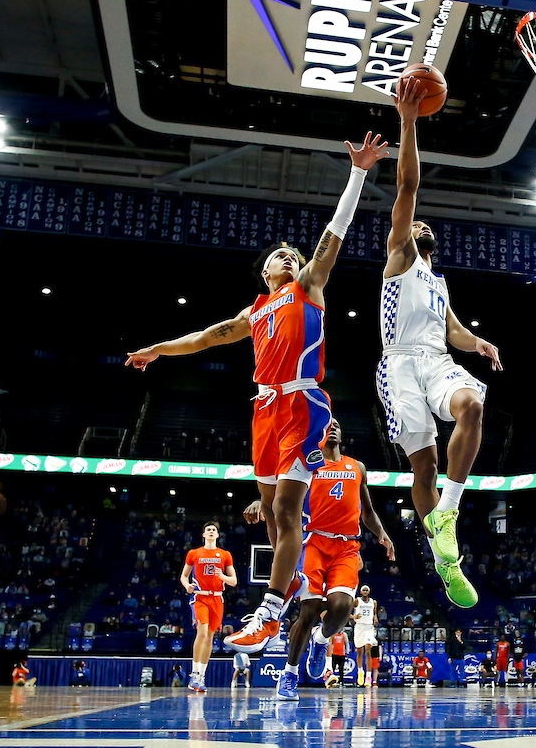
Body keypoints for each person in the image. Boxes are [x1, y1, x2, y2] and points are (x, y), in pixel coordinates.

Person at [129, 133, 389, 655]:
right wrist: (158, 348)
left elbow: (330, 238)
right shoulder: (254, 313)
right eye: (279, 256)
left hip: (303, 401)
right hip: (265, 408)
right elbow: (206, 337)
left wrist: (358, 173)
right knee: (270, 511)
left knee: (288, 511)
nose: (289, 258)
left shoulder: (308, 287)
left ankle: (270, 612)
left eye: (292, 255)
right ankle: (289, 585)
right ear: (265, 272)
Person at [375, 79, 502, 609]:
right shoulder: (400, 257)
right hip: (398, 367)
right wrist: (408, 121)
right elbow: (407, 190)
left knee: (473, 402)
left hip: (437, 360)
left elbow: (452, 330)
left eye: (426, 225)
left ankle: (446, 515)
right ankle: (442, 558)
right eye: (415, 222)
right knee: (420, 467)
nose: (419, 222)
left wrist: (479, 345)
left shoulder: (439, 280)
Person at [268, 420, 395, 701]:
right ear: (319, 433)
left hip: (347, 547)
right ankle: (289, 674)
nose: (334, 427)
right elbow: (281, 495)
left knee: (342, 607)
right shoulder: (308, 463)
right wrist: (260, 503)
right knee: (310, 611)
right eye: (328, 425)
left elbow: (368, 510)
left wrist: (382, 534)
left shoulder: (357, 467)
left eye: (338, 424)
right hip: (314, 542)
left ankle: (321, 640)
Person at [180, 522, 237, 693]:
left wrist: (222, 576)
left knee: (210, 636)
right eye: (208, 530)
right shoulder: (194, 553)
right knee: (202, 633)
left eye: (214, 530)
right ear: (203, 535)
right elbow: (184, 576)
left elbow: (233, 581)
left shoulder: (225, 555)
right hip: (200, 596)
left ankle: (201, 676)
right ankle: (194, 673)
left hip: (217, 598)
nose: (211, 532)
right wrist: (187, 585)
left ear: (218, 535)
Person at [353, 585, 379, 687]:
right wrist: (353, 616)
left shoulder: (374, 602)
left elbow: (374, 613)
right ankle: (360, 671)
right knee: (359, 652)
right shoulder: (357, 601)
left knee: (368, 650)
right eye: (363, 590)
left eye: (366, 590)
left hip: (369, 627)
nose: (364, 592)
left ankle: (368, 676)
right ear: (360, 592)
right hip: (359, 627)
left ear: (369, 592)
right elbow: (347, 610)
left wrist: (375, 618)